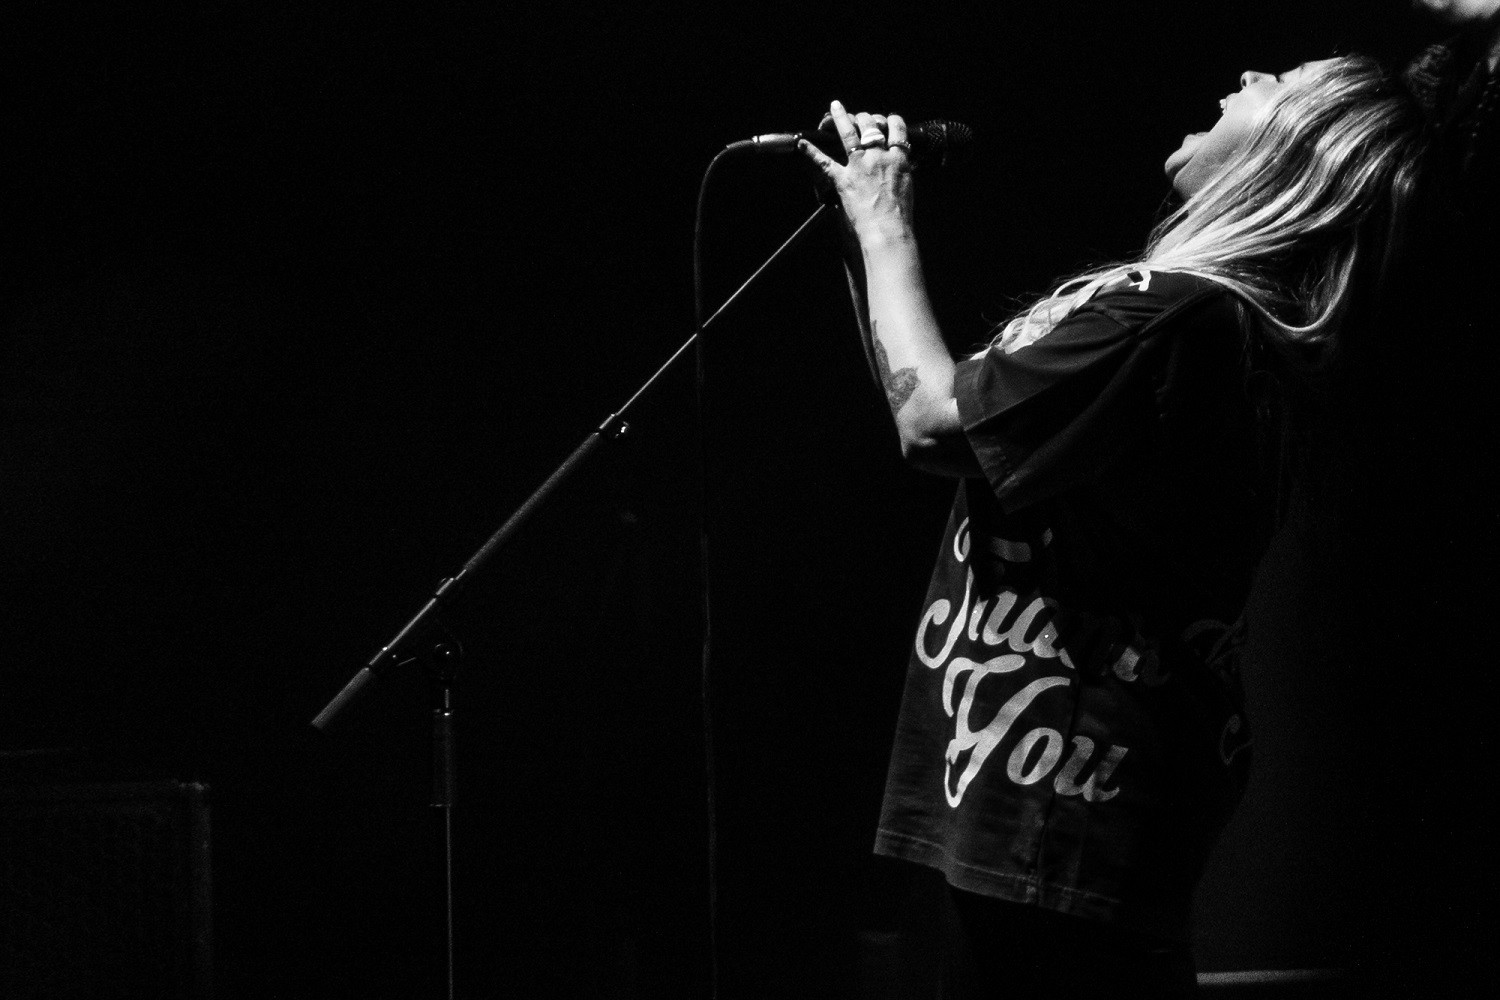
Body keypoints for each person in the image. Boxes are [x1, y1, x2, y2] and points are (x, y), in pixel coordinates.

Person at [799, 55, 1429, 998]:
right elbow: (938, 410)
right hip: (1031, 787)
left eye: (1282, 81)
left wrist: (885, 223)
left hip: (1060, 798)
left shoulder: (1175, 316)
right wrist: (865, 226)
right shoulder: (1194, 316)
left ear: (1294, 150)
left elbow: (932, 423)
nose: (1249, 71)